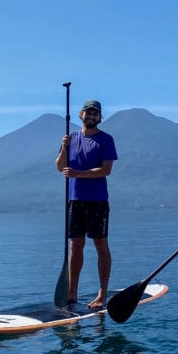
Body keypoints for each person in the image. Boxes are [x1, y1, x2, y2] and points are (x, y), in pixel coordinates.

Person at [55, 99, 118, 309]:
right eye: (88, 113)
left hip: (97, 201)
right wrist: (64, 148)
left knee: (100, 245)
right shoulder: (71, 139)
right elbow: (60, 167)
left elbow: (105, 170)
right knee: (76, 246)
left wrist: (78, 173)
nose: (91, 116)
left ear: (99, 118)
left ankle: (103, 293)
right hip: (75, 200)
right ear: (81, 115)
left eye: (95, 114)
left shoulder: (106, 140)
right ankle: (72, 292)